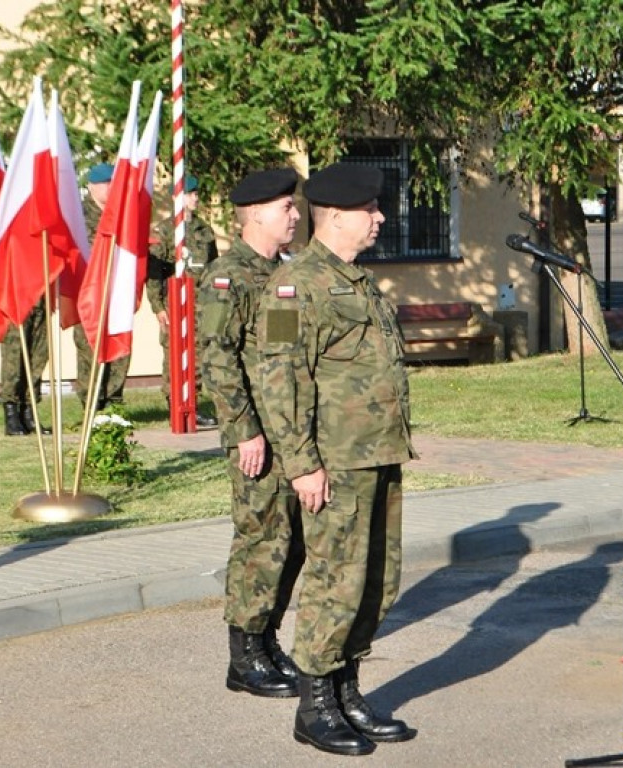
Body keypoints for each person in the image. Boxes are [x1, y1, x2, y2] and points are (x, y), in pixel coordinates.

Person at [257, 163, 417, 756]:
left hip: (378, 455)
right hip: (334, 464)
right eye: (371, 210)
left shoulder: (356, 281)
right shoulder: (293, 286)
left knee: (376, 580)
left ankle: (347, 690)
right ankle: (315, 703)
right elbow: (279, 380)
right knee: (334, 582)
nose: (379, 219)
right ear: (338, 216)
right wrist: (301, 464)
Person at [196, 168, 306, 699]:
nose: (296, 215)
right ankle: (243, 656)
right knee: (262, 541)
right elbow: (216, 360)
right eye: (287, 207)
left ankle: (265, 640)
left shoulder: (283, 270)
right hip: (259, 435)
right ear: (257, 213)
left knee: (292, 545)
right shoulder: (228, 276)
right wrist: (244, 431)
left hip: (291, 433)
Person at [147, 173, 218, 427]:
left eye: (196, 193)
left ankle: (194, 402)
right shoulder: (166, 231)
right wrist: (157, 306)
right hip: (175, 302)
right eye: (191, 193)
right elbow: (154, 272)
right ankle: (174, 401)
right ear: (178, 197)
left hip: (201, 302)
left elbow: (213, 267)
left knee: (198, 353)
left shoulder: (204, 230)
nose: (195, 198)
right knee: (174, 352)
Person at [74, 163, 131, 411]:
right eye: (106, 183)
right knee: (90, 350)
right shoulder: (79, 216)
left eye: (114, 182)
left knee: (120, 347)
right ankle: (91, 404)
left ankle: (113, 403)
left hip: (116, 292)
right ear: (91, 186)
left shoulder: (121, 216)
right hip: (89, 294)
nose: (111, 188)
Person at [0, 298, 50, 436]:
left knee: (38, 355)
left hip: (40, 296)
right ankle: (11, 413)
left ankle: (29, 411)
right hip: (16, 299)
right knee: (14, 356)